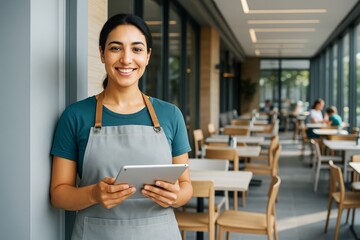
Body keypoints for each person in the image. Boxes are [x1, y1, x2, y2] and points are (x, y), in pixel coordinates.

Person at [50, 13, 192, 240]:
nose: (126, 59)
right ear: (102, 54)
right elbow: (59, 194)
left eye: (136, 49)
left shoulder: (170, 115)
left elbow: (185, 185)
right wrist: (94, 194)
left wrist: (176, 196)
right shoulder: (75, 116)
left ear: (147, 56)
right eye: (116, 48)